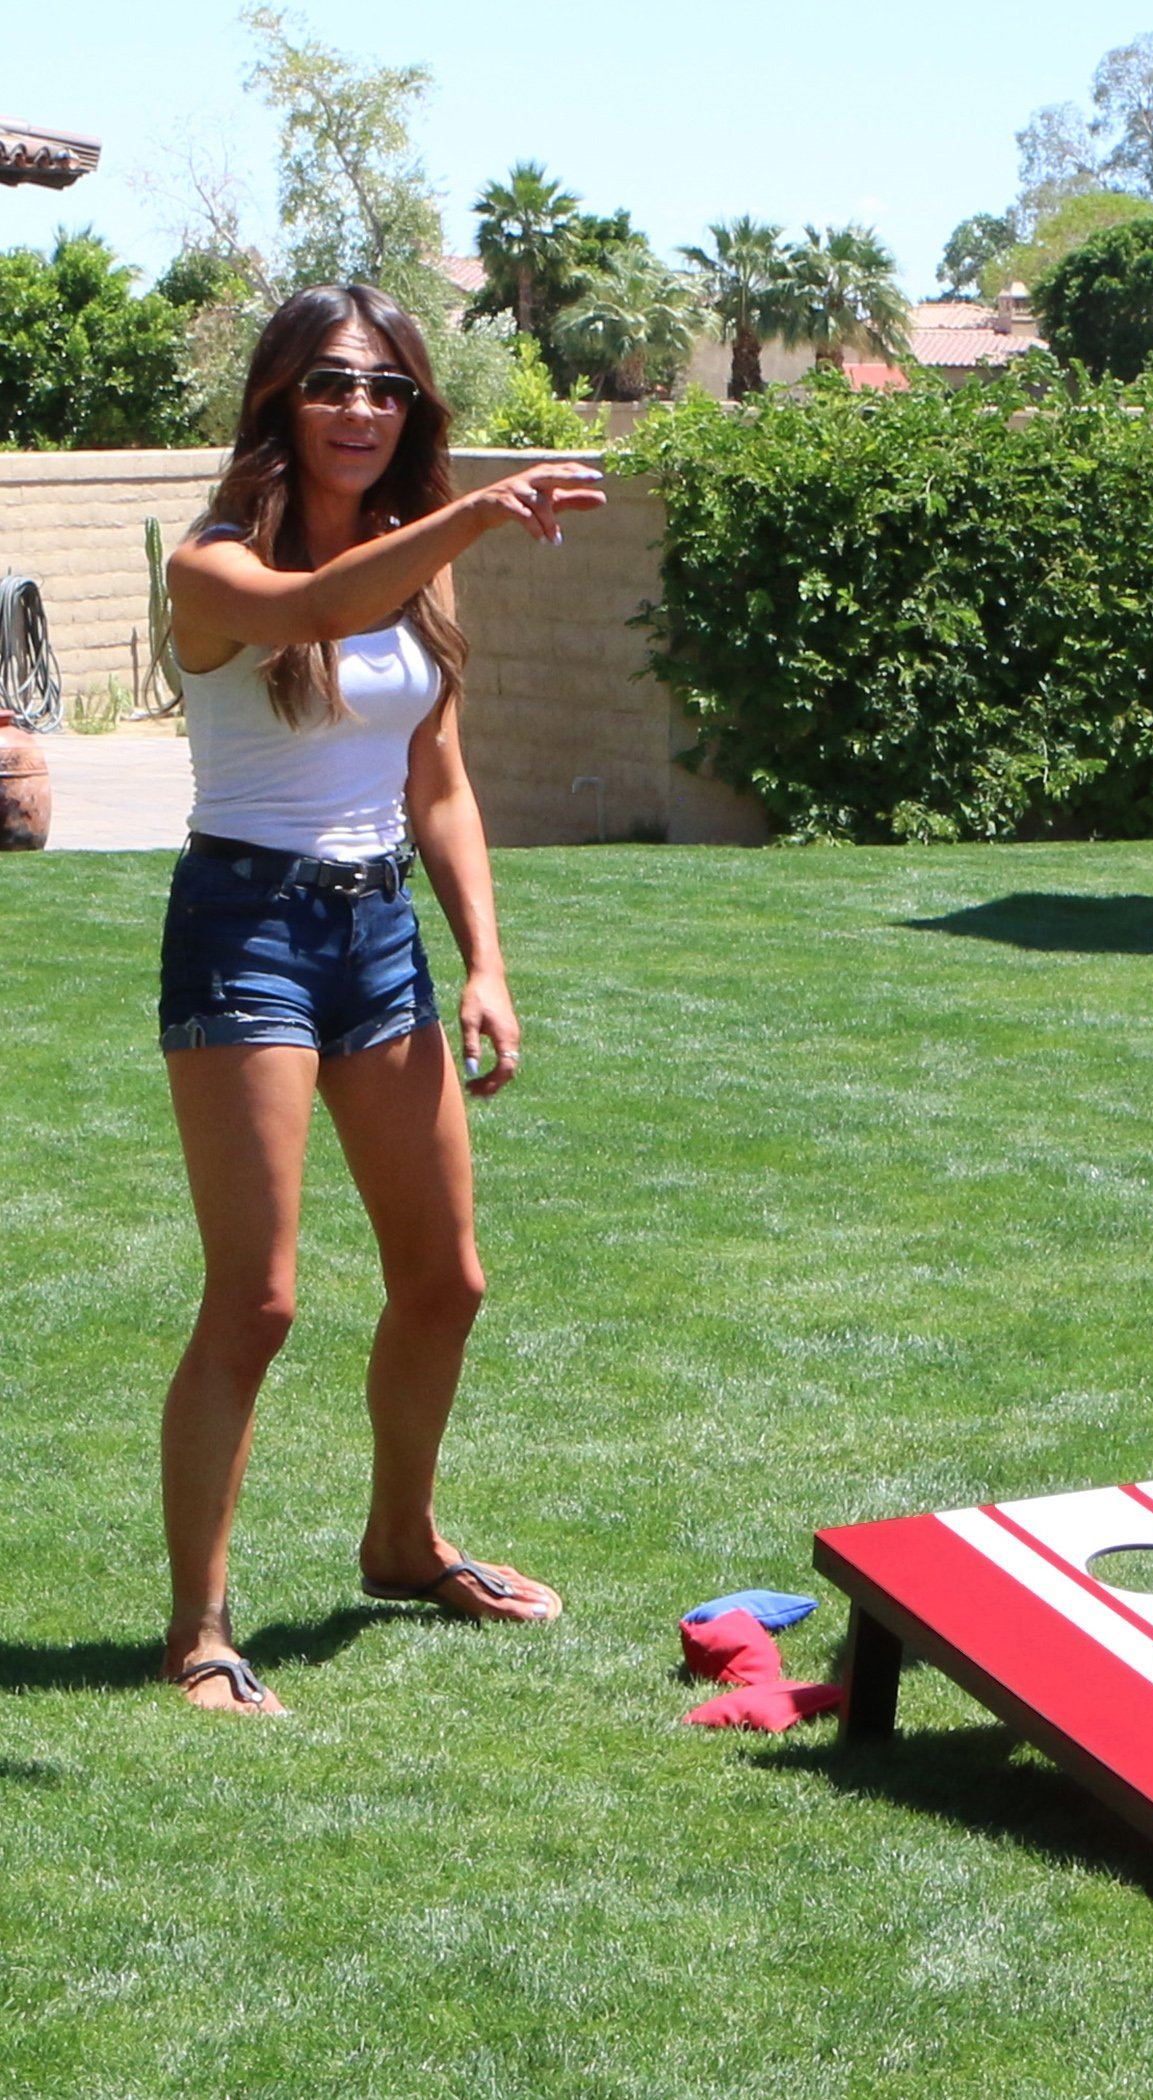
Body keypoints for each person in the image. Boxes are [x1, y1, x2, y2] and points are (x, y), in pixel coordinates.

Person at [158, 282, 606, 1712]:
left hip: (379, 933)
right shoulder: (213, 564)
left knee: (447, 1277)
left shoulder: (422, 567)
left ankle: (404, 1544)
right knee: (261, 1298)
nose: (363, 409)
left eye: (389, 388)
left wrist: (483, 959)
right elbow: (309, 606)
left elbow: (442, 783)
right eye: (336, 384)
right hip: (248, 927)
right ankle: (198, 1630)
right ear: (280, 399)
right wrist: (472, 515)